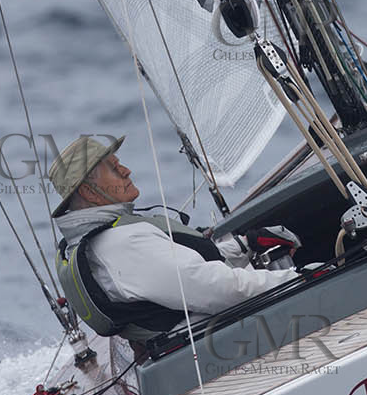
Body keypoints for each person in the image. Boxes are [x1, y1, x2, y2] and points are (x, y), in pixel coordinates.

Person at [48, 135, 298, 342]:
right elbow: (217, 290)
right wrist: (299, 278)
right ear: (89, 192)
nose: (126, 170)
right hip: (216, 343)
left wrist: (244, 245)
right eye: (114, 168)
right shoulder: (122, 244)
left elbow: (176, 275)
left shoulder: (100, 242)